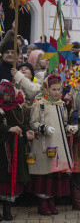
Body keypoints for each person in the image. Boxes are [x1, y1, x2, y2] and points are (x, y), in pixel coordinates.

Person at [28, 74, 73, 215]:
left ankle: (51, 201)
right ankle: (42, 202)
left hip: (58, 144)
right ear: (47, 89)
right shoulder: (40, 104)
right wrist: (44, 128)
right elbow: (33, 123)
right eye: (54, 89)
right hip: (44, 144)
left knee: (55, 172)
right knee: (44, 172)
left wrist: (68, 128)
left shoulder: (60, 105)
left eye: (59, 89)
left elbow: (63, 122)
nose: (57, 92)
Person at [0, 80, 34, 220]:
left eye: (9, 92)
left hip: (16, 147)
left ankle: (7, 210)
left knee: (10, 178)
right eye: (4, 92)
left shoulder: (18, 107)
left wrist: (27, 131)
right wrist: (8, 129)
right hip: (2, 149)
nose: (7, 95)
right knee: (2, 177)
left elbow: (23, 123)